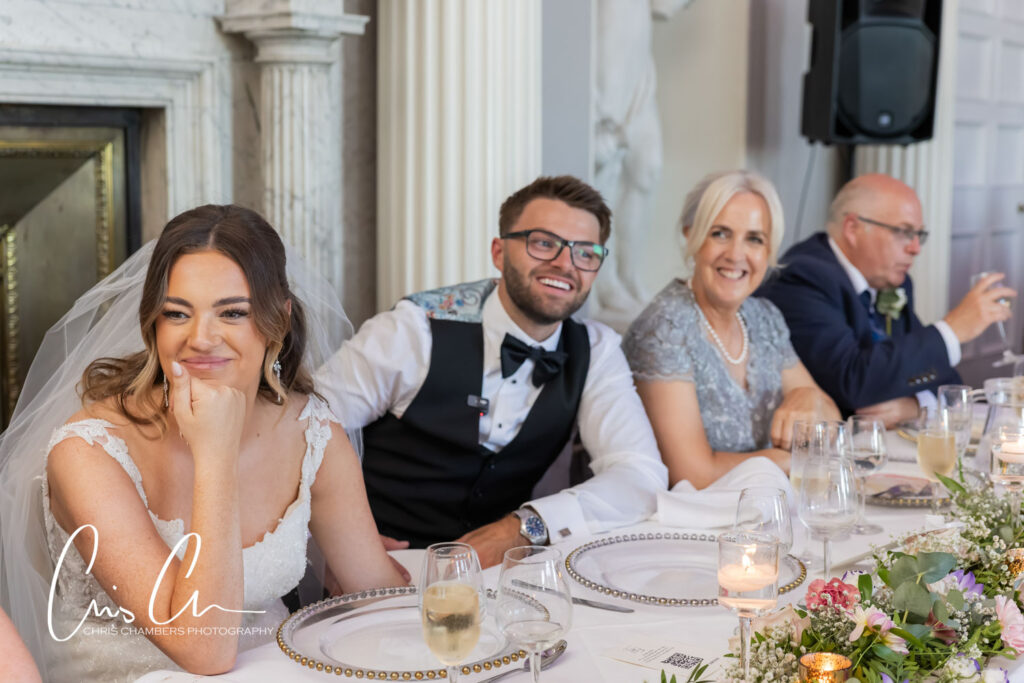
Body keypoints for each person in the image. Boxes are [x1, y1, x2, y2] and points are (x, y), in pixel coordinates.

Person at [0, 205, 405, 682]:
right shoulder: (89, 451)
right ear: (153, 323)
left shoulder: (311, 432)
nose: (201, 339)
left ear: (279, 317)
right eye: (177, 313)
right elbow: (203, 650)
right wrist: (214, 452)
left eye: (232, 312)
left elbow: (374, 595)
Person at [316, 175, 667, 567]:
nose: (565, 263)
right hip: (383, 566)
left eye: (585, 252)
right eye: (544, 243)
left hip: (500, 577)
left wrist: (526, 527)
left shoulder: (597, 351)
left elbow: (641, 476)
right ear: (499, 253)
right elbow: (301, 431)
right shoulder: (414, 331)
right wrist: (339, 538)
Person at [623, 170, 838, 489]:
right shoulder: (664, 329)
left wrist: (810, 397)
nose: (736, 254)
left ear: (769, 251)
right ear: (691, 236)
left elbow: (833, 422)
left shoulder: (763, 317)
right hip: (686, 525)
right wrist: (792, 461)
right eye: (720, 233)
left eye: (754, 239)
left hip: (763, 515)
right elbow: (692, 475)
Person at [758, 174, 1016, 426]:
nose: (915, 248)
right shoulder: (804, 278)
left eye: (919, 235)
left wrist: (914, 407)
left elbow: (943, 377)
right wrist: (952, 329)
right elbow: (852, 382)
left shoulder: (892, 281)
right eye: (903, 232)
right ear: (853, 228)